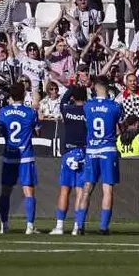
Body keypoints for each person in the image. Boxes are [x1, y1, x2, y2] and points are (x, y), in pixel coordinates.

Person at [76, 76, 124, 235]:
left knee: (87, 188)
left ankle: (80, 225)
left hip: (92, 150)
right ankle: (104, 227)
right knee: (107, 189)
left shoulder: (88, 106)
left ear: (95, 87)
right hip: (108, 150)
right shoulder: (115, 106)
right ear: (108, 87)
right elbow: (120, 127)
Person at [0, 82, 40, 234]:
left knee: (5, 191)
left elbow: (2, 131)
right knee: (28, 191)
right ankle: (29, 226)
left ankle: (4, 225)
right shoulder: (30, 112)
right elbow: (38, 132)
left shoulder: (3, 112)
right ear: (23, 94)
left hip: (10, 155)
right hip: (26, 156)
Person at [50, 86, 88, 235]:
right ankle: (76, 227)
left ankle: (59, 226)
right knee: (80, 191)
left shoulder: (67, 110)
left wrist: (71, 89)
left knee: (65, 190)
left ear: (73, 97)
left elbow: (62, 101)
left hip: (69, 152)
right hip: (84, 152)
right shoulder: (88, 111)